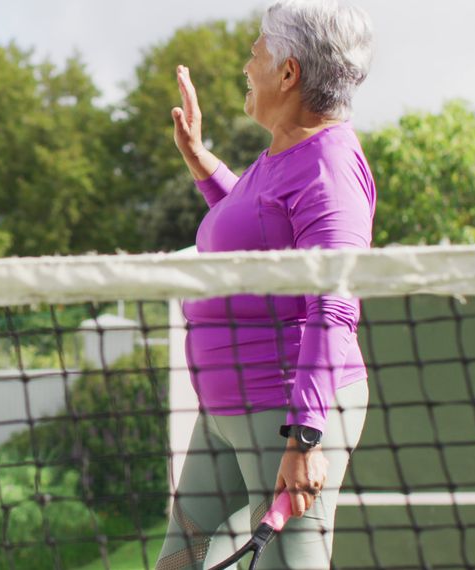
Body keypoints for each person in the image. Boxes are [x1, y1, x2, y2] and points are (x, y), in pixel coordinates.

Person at [155, 1, 375, 569]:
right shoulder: (283, 154)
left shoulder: (328, 167)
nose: (246, 69)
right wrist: (201, 161)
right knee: (179, 561)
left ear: (288, 72)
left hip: (284, 414)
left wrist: (304, 439)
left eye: (255, 54)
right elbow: (251, 226)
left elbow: (334, 303)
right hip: (226, 409)